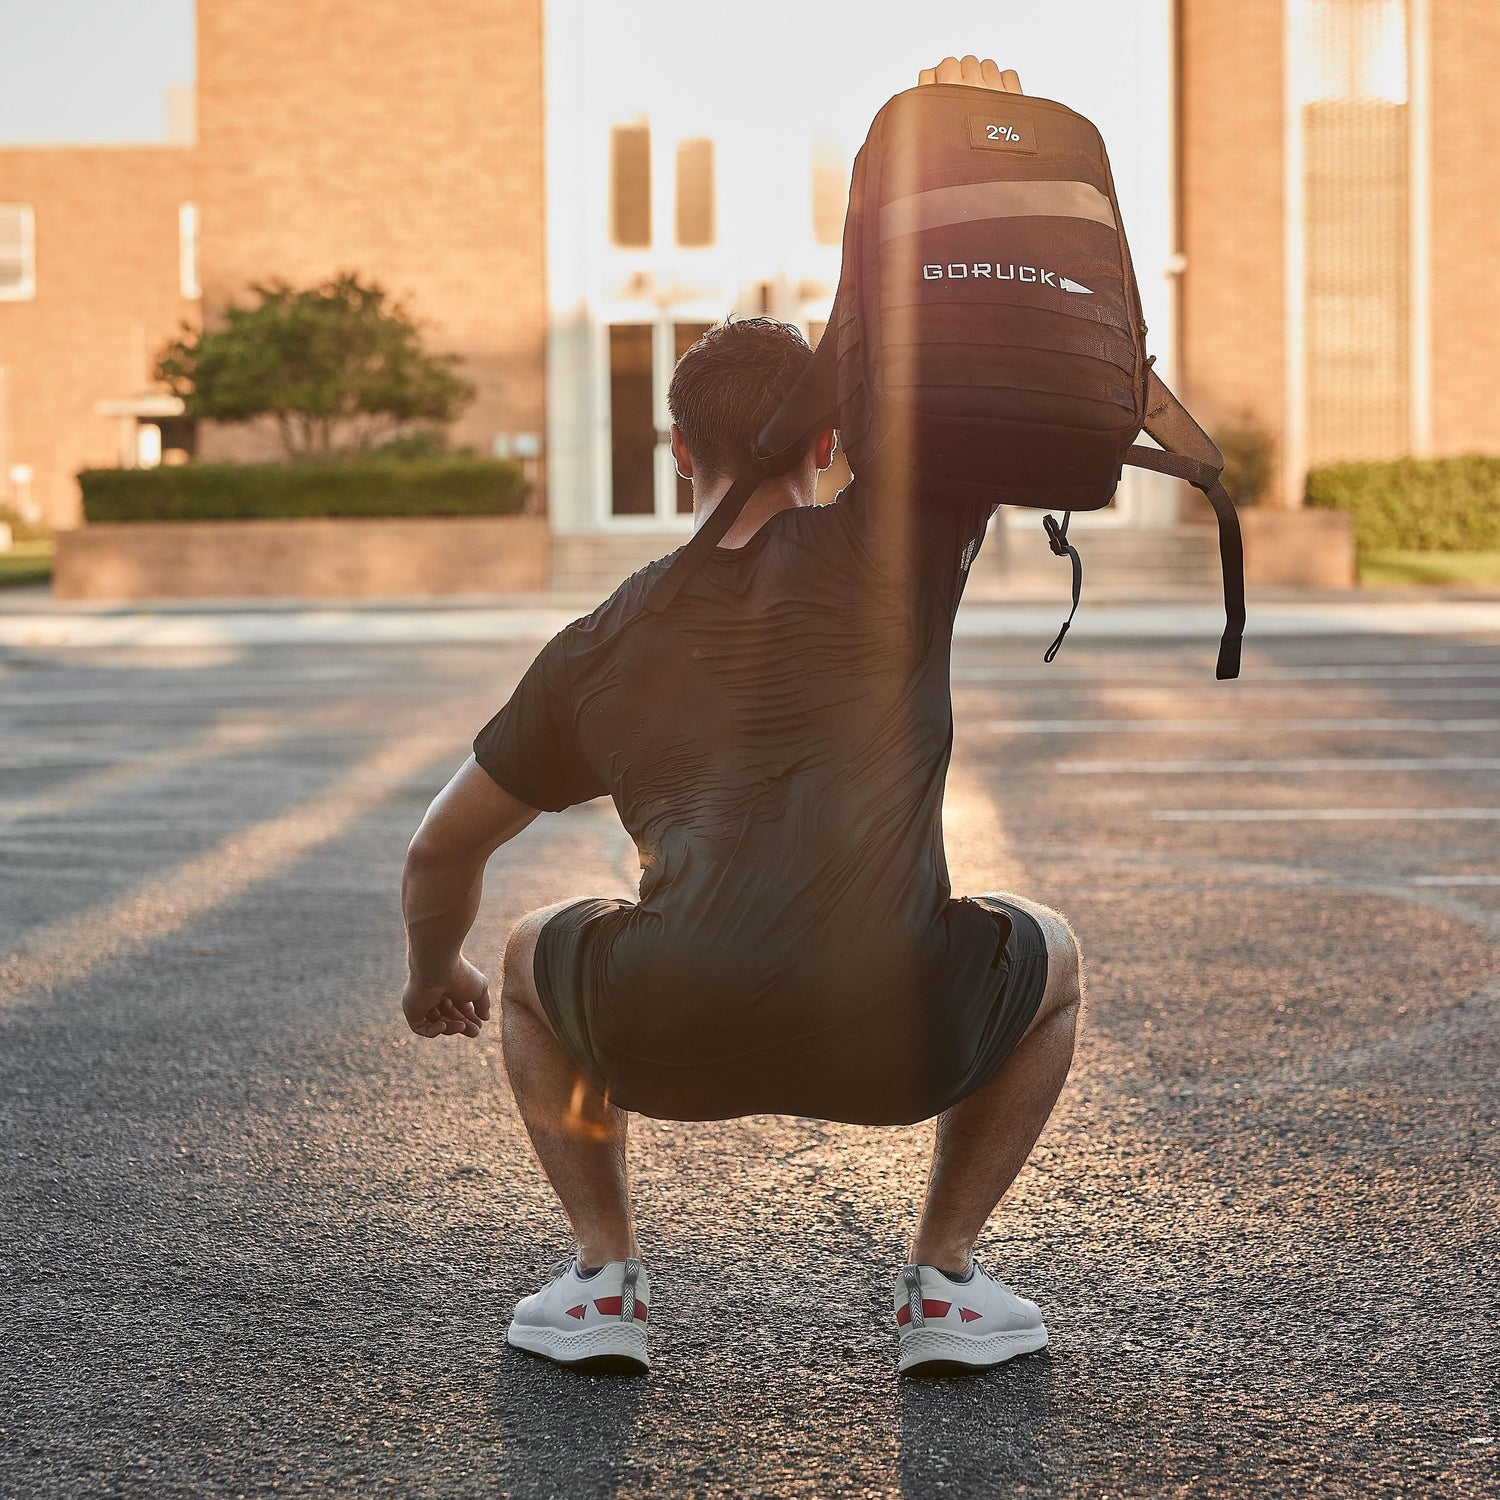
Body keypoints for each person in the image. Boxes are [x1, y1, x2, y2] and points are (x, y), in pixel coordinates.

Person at [400, 55, 1083, 1375]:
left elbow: (440, 851)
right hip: (905, 1034)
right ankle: (943, 1286)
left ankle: (603, 1283)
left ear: (676, 459)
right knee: (1048, 949)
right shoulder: (901, 546)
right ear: (830, 451)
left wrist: (436, 974)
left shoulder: (603, 640)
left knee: (540, 938)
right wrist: (966, 150)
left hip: (675, 1033)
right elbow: (972, 345)